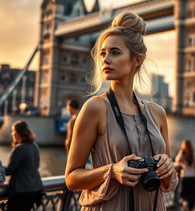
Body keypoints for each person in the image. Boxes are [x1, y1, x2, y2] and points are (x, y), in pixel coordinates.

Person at [65, 11, 178, 211]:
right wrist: (113, 171)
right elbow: (72, 178)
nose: (105, 60)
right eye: (103, 53)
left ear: (137, 60)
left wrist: (168, 168)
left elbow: (167, 183)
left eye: (115, 52)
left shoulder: (157, 113)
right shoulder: (95, 108)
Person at [4, 120, 43, 211]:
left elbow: (9, 171)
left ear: (19, 133)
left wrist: (0, 167)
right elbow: (36, 166)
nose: (12, 134)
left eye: (14, 131)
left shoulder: (20, 148)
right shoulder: (34, 146)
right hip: (35, 189)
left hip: (21, 191)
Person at [175, 140, 195, 211]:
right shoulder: (194, 154)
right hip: (193, 177)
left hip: (185, 177)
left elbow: (177, 161)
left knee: (184, 194)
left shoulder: (183, 154)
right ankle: (190, 207)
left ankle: (185, 204)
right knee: (192, 194)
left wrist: (181, 152)